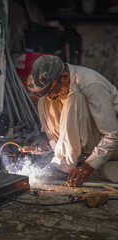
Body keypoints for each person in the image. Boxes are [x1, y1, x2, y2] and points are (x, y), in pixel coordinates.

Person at [27, 54, 118, 187]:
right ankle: (62, 159)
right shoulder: (56, 89)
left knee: (75, 99)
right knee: (43, 101)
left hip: (113, 145)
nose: (51, 97)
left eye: (52, 91)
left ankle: (65, 165)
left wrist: (87, 167)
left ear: (64, 77)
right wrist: (46, 137)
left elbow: (112, 136)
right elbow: (50, 99)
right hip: (86, 142)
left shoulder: (92, 84)